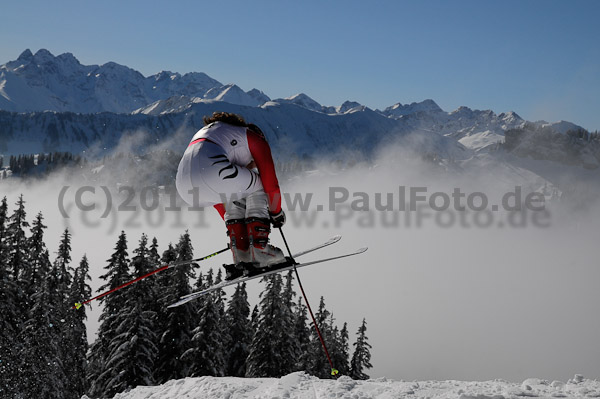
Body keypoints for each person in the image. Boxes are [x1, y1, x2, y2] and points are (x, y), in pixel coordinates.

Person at [176, 112, 287, 280]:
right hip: (211, 170)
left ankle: (240, 255)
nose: (252, 163)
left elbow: (224, 207)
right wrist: (276, 212)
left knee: (232, 192)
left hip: (183, 185)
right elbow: (270, 183)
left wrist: (241, 237)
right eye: (252, 160)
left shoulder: (214, 132)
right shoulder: (253, 137)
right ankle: (260, 251)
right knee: (258, 183)